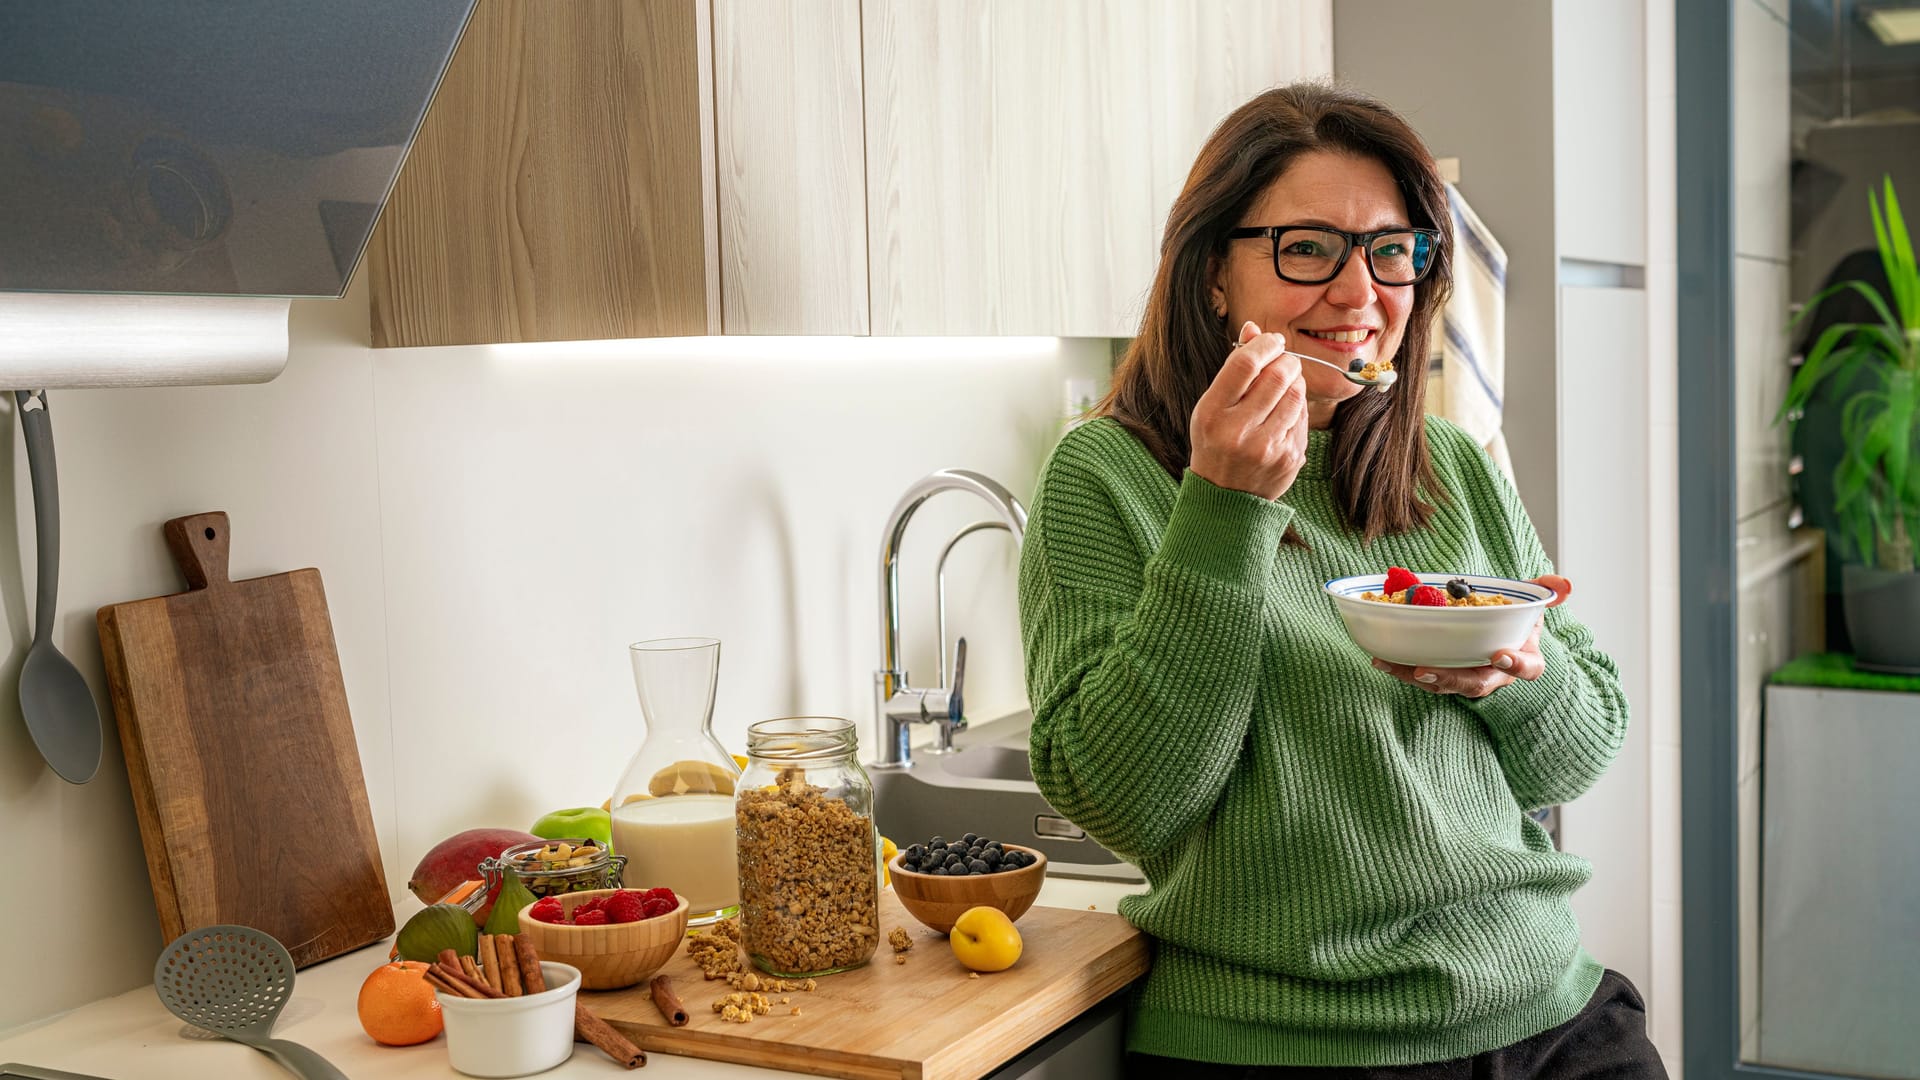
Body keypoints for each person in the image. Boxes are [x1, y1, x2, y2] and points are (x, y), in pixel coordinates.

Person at [1016, 83, 1659, 1077]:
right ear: (1213, 274)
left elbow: (1575, 758)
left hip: (1549, 1008)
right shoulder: (1106, 475)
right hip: (1285, 1042)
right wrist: (1224, 507)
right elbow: (1128, 803)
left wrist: (1519, 675)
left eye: (1391, 251)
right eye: (1308, 248)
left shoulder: (1451, 465)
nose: (1360, 295)